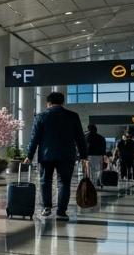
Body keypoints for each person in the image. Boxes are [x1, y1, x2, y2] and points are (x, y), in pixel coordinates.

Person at [24, 91, 88, 221]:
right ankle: (61, 212)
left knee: (45, 181)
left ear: (48, 103)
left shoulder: (41, 116)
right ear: (62, 102)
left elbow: (34, 138)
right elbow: (80, 138)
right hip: (67, 155)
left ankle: (46, 207)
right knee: (64, 183)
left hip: (46, 156)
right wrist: (84, 156)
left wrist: (29, 155)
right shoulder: (73, 116)